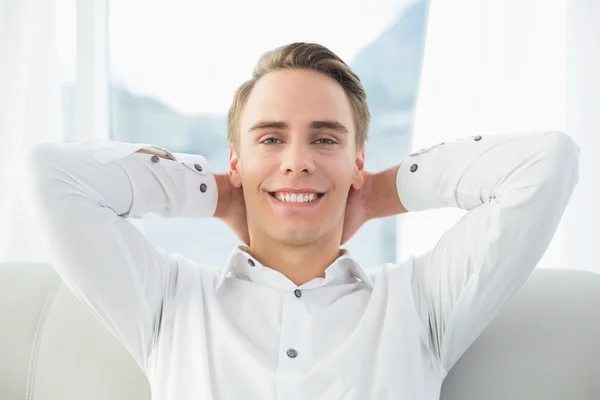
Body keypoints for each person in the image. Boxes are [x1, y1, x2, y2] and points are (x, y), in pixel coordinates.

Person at [23, 42, 579, 399]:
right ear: (235, 161)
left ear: (356, 162)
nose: (297, 160)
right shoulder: (170, 304)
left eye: (324, 139)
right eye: (271, 138)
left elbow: (545, 163)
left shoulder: (418, 303)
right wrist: (216, 195)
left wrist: (379, 194)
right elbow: (54, 176)